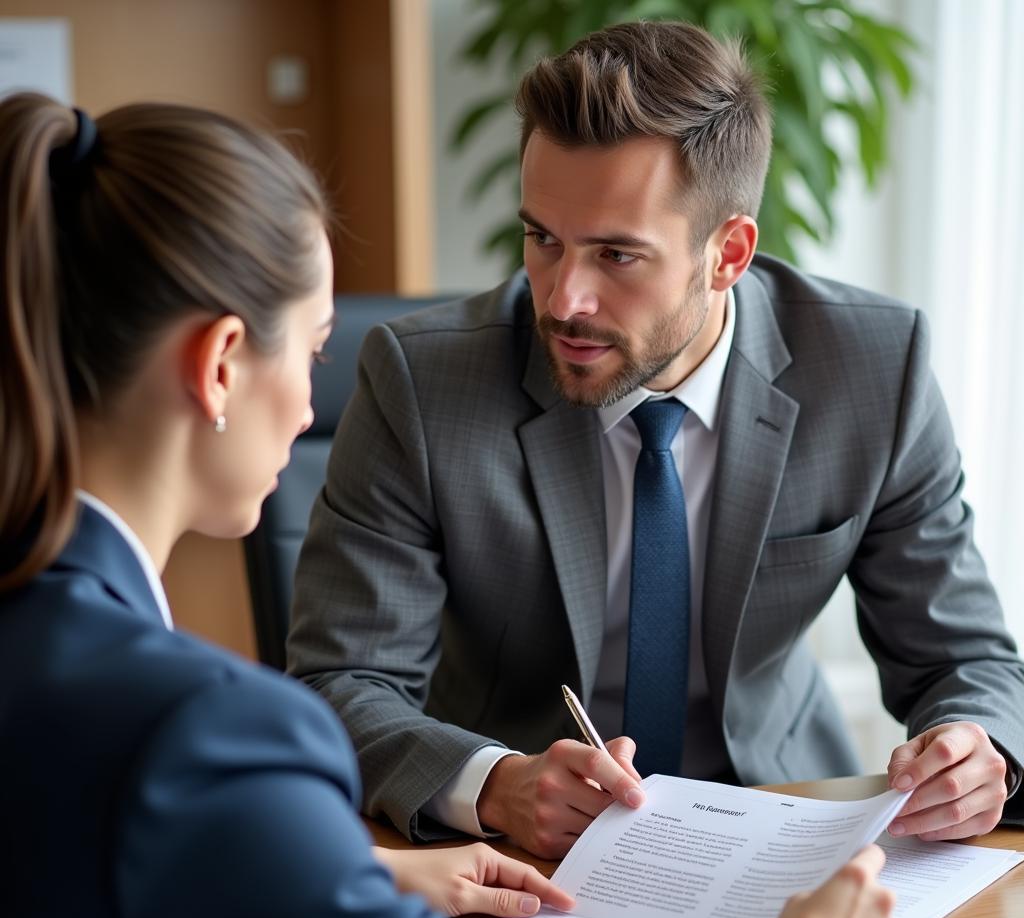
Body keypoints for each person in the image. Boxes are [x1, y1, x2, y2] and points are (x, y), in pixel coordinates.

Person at [0, 90, 899, 918]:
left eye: (617, 252)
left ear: (729, 255)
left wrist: (339, 878)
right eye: (313, 353)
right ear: (221, 364)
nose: (313, 412)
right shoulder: (209, 733)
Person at [287, 19, 1024, 859]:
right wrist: (494, 783)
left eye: (616, 255)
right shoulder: (424, 383)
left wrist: (977, 749)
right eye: (544, 240)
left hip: (783, 826)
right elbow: (340, 682)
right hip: (527, 851)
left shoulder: (872, 371)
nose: (564, 299)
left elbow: (967, 657)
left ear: (729, 254)